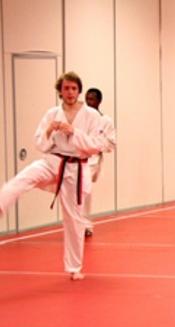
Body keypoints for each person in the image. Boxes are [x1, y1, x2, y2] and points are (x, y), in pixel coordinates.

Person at [0, 72, 109, 280]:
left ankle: (74, 268)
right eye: (66, 88)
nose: (70, 92)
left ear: (79, 91)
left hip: (75, 168)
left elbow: (95, 145)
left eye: (74, 88)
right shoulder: (52, 114)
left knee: (73, 219)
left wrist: (73, 132)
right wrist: (49, 130)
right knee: (25, 177)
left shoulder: (92, 116)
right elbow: (40, 144)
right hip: (53, 161)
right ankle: (1, 204)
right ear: (60, 91)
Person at [83, 87, 116, 237]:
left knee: (85, 189)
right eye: (87, 99)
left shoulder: (106, 121)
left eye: (92, 99)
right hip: (78, 160)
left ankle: (86, 224)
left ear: (99, 101)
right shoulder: (80, 118)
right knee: (81, 191)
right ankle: (82, 224)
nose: (88, 102)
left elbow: (111, 144)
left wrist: (96, 145)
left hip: (93, 160)